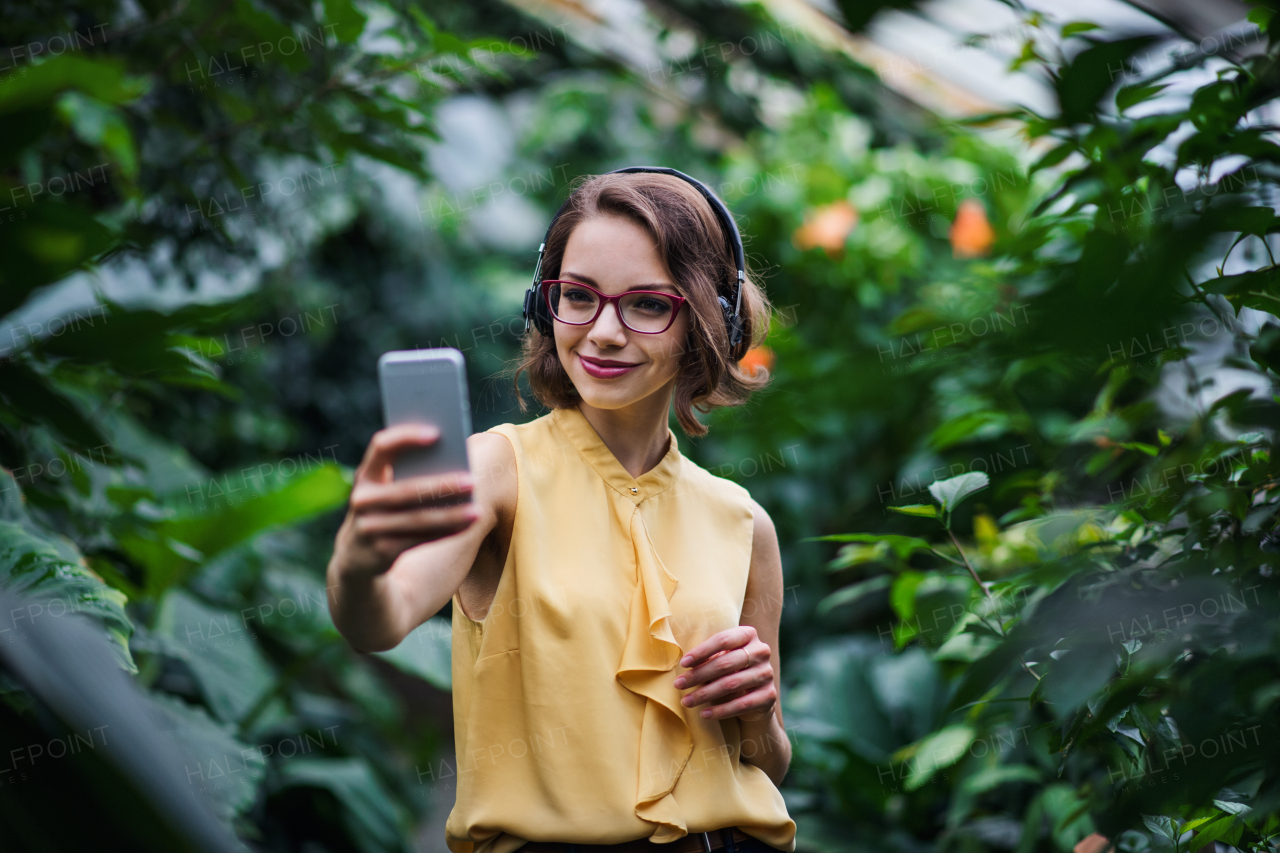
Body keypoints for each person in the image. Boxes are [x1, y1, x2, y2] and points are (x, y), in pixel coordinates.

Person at [326, 169, 797, 853]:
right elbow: (381, 617)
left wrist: (760, 714)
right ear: (544, 307)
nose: (602, 332)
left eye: (645, 305)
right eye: (578, 296)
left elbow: (769, 761)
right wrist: (358, 560)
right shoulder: (497, 469)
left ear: (708, 320)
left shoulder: (744, 523)